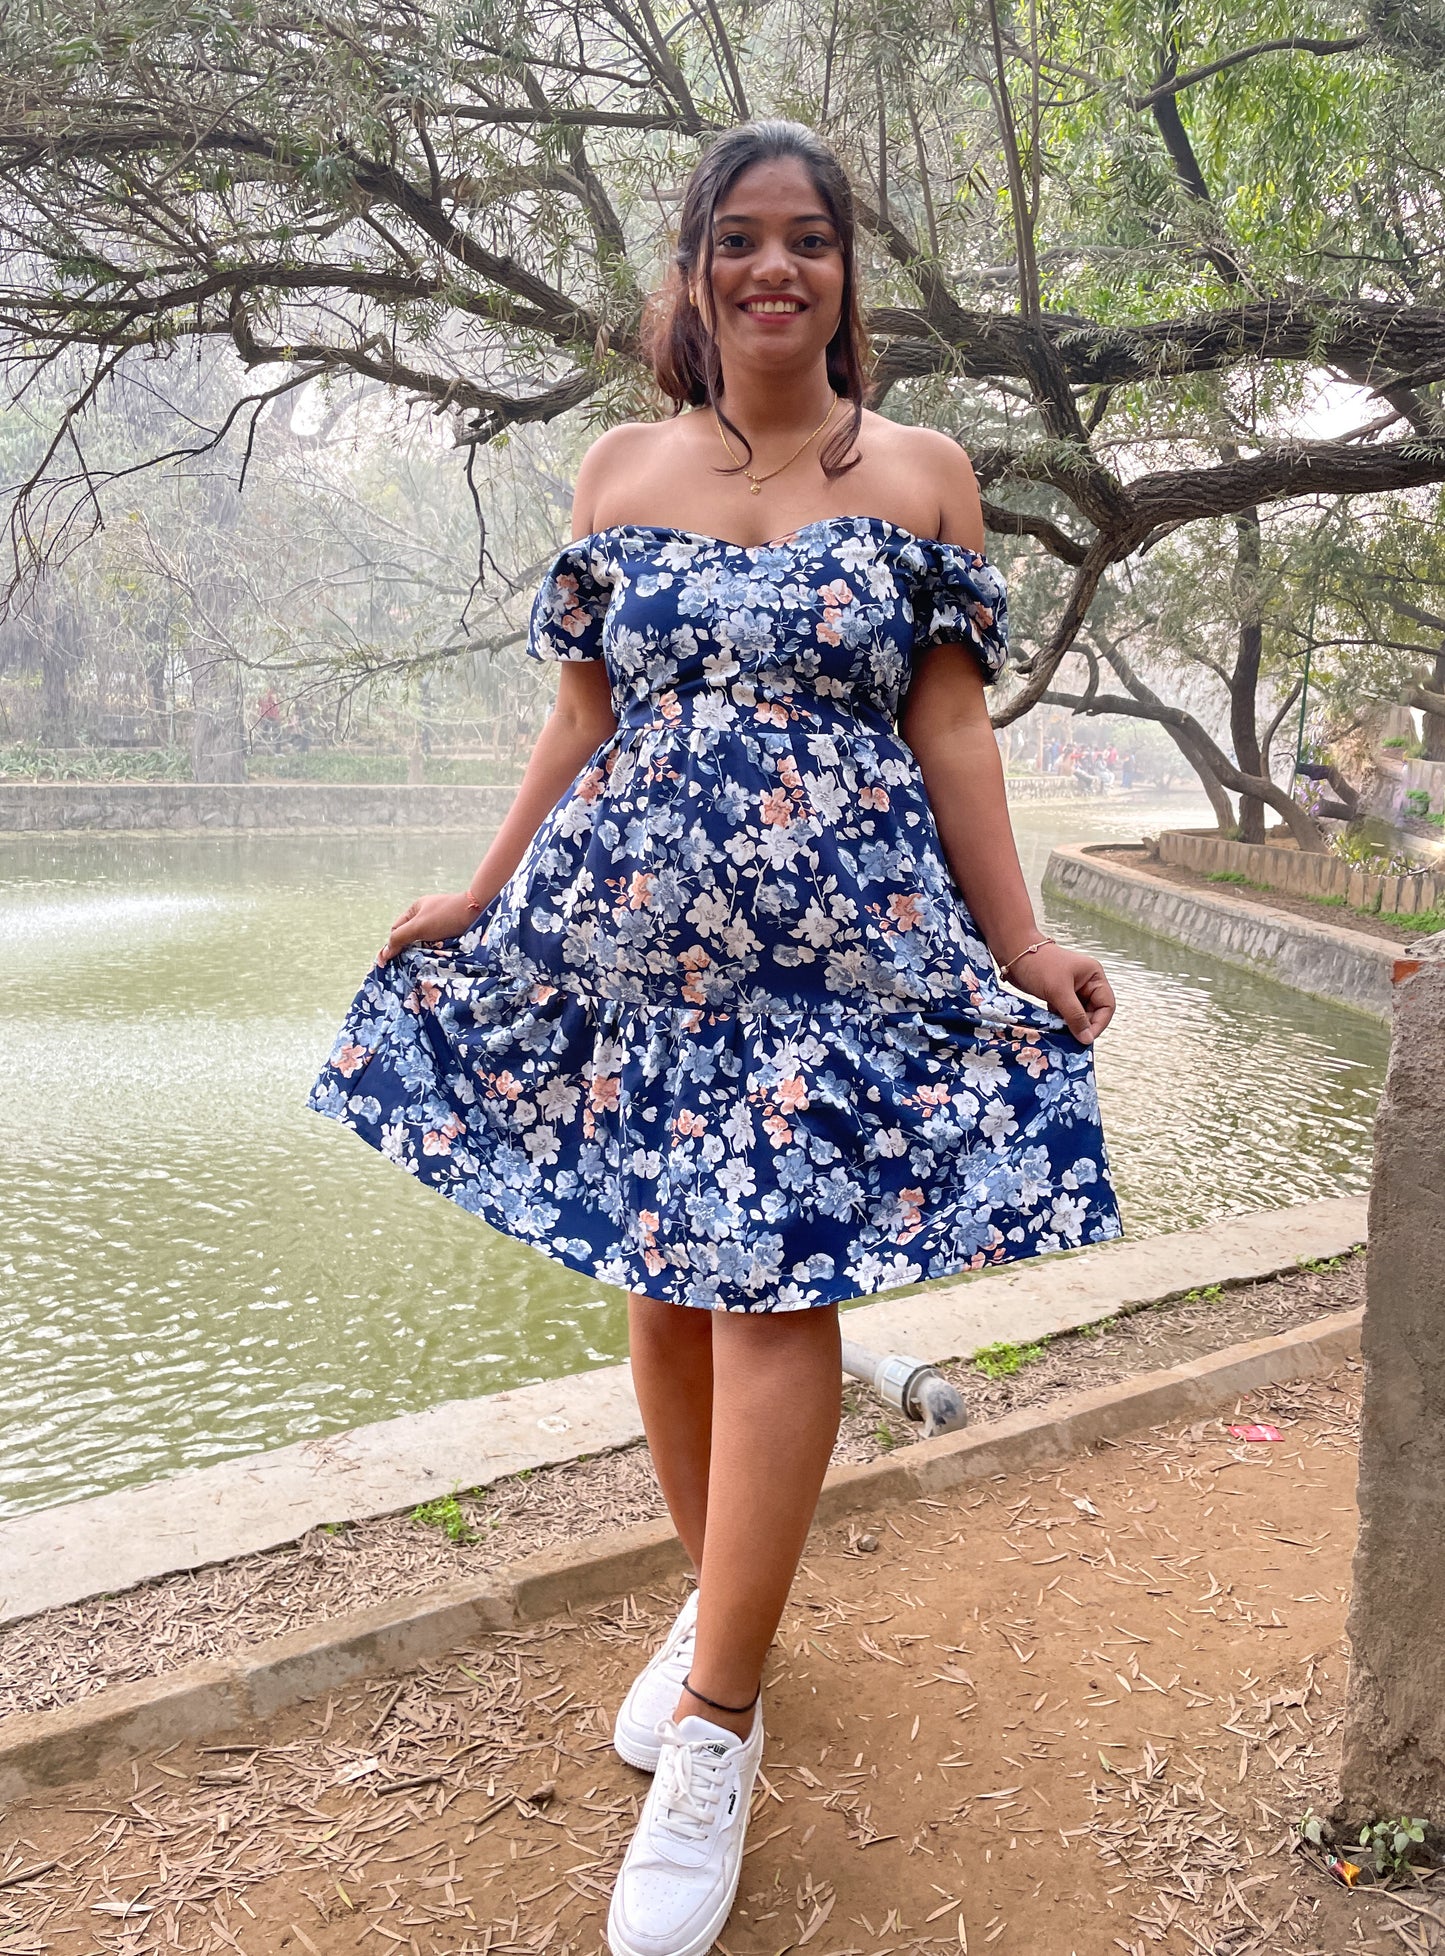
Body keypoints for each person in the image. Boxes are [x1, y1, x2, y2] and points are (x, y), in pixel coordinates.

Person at [308, 119, 1123, 1956]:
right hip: (627, 950)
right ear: (690, 273)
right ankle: (718, 1605)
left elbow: (954, 734)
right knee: (666, 1296)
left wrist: (1020, 933)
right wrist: (481, 887)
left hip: (837, 954)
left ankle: (718, 1720)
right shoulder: (616, 470)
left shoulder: (922, 476)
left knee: (772, 1300)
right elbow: (583, 714)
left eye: (806, 241)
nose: (772, 270)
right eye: (737, 241)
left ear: (847, 273)